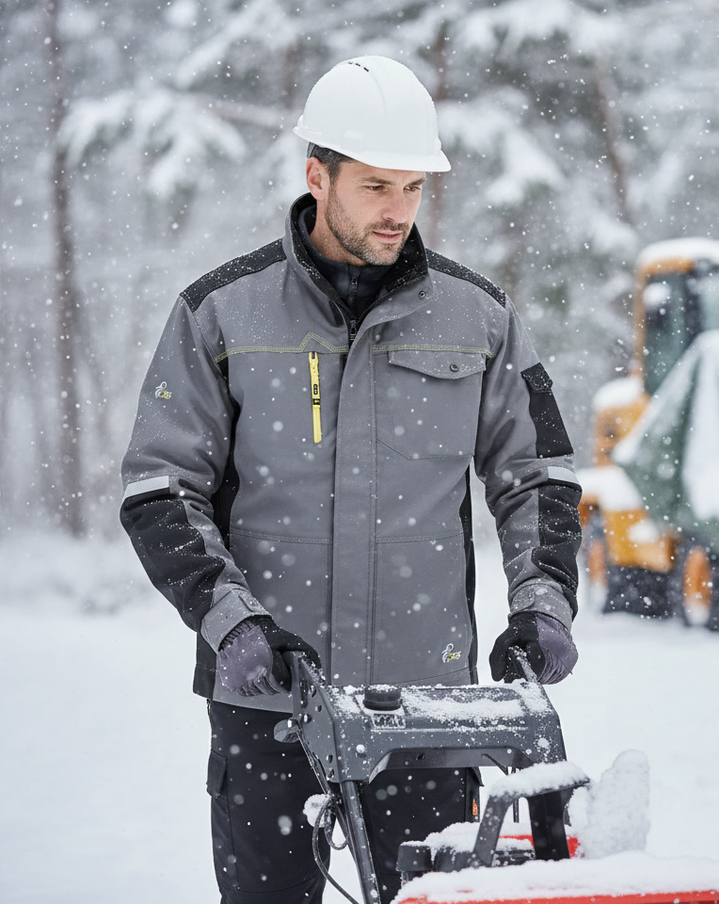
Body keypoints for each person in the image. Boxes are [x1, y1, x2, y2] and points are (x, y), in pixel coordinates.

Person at [119, 55, 582, 904]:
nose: (398, 211)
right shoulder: (221, 312)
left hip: (426, 710)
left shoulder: (479, 317)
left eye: (412, 187)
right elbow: (158, 489)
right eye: (375, 186)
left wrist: (542, 604)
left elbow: (537, 475)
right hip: (270, 706)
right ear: (316, 176)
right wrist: (235, 625)